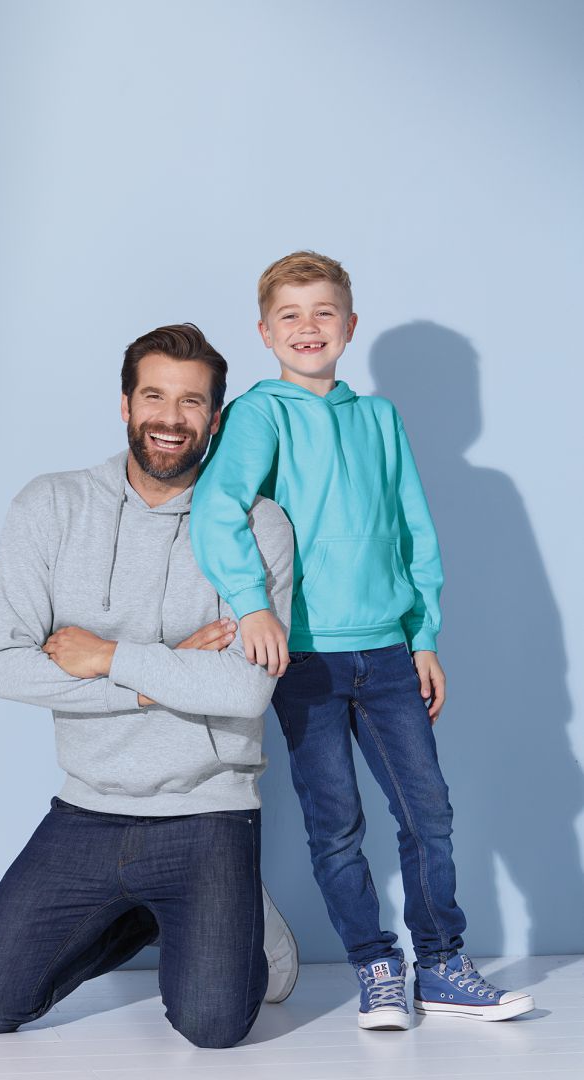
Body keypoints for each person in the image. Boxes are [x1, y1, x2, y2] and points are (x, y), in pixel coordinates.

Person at [189, 251, 535, 1029]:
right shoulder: (259, 414)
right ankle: (377, 966)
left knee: (428, 813)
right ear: (265, 332)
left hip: (387, 654)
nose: (308, 327)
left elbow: (414, 530)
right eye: (290, 315)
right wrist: (252, 606)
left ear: (350, 325)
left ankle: (440, 965)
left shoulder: (380, 419)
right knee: (336, 824)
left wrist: (424, 637)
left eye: (324, 312)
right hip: (303, 658)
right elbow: (217, 511)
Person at [0, 324, 298, 1050]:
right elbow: (7, 666)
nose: (170, 419)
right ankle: (152, 913)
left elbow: (245, 691)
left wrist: (107, 656)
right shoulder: (50, 507)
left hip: (209, 810)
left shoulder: (258, 524)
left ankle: (239, 915)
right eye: (153, 397)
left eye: (191, 402)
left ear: (215, 417)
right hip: (87, 808)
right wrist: (158, 678)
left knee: (212, 1027)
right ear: (124, 404)